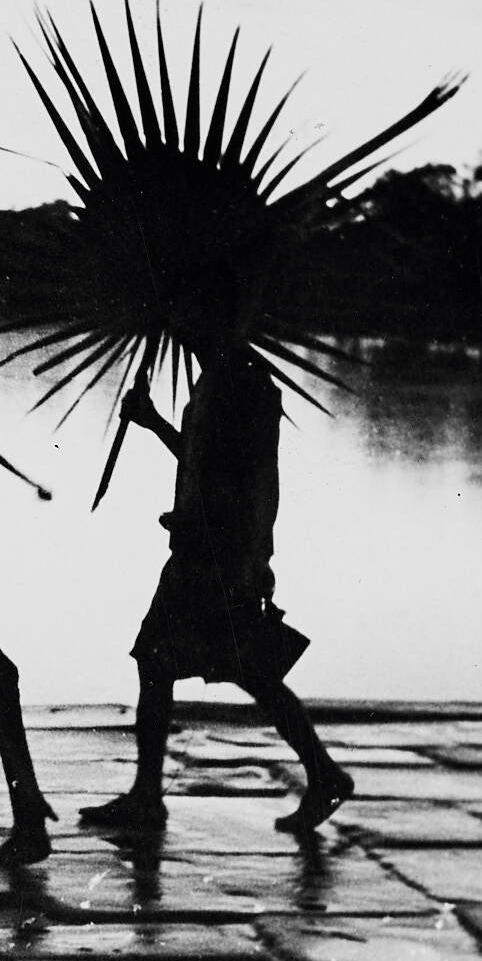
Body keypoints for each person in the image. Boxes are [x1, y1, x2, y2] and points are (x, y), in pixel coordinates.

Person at [79, 336, 353, 836]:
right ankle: (148, 795)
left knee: (246, 673)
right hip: (196, 549)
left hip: (220, 558)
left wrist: (247, 558)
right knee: (162, 663)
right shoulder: (215, 377)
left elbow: (254, 480)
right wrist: (153, 420)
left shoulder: (244, 381)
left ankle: (324, 774)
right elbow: (200, 457)